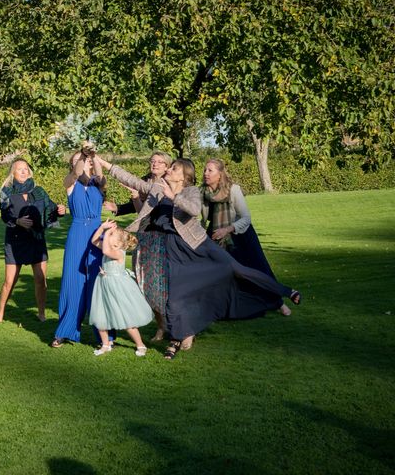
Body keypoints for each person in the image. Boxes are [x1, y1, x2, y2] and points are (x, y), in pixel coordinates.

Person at [96, 156, 301, 360]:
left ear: (183, 175)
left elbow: (193, 209)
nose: (169, 170)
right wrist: (105, 164)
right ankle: (180, 336)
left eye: (174, 168)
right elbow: (133, 180)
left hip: (197, 244)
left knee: (235, 268)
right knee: (176, 295)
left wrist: (173, 196)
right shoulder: (158, 186)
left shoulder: (191, 191)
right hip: (172, 248)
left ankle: (285, 291)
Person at [201, 158, 291, 316]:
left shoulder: (233, 190)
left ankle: (279, 302)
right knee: (220, 273)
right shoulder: (203, 192)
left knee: (258, 269)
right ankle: (223, 307)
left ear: (220, 174)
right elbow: (200, 217)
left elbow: (246, 218)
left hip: (240, 235)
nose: (205, 173)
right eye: (205, 170)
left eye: (210, 170)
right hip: (216, 234)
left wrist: (227, 229)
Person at [103, 151, 172, 341]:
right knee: (144, 280)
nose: (155, 164)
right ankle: (161, 326)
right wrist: (118, 207)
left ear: (167, 166)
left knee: (163, 282)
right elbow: (137, 207)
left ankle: (173, 323)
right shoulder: (143, 181)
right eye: (153, 161)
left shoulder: (169, 184)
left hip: (162, 237)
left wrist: (136, 199)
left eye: (160, 162)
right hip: (143, 235)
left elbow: (152, 208)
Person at [0, 158, 65, 322]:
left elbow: (52, 208)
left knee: (40, 279)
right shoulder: (6, 191)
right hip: (15, 241)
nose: (24, 171)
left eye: (26, 169)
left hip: (36, 240)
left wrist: (61, 210)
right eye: (20, 169)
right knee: (9, 281)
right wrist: (17, 221)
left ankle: (41, 313)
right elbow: (5, 215)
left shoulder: (38, 191)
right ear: (13, 173)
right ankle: (0, 311)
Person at [52, 144, 106, 347]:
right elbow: (75, 173)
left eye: (84, 160)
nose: (81, 163)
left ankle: (104, 335)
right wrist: (83, 156)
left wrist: (94, 156)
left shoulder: (97, 183)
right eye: (76, 160)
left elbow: (101, 175)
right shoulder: (70, 183)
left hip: (97, 232)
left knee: (97, 280)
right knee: (73, 282)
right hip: (77, 233)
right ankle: (65, 330)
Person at [89, 220, 153, 356]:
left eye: (111, 234)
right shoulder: (110, 247)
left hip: (117, 287)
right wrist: (102, 228)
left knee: (126, 318)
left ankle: (140, 345)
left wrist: (106, 233)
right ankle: (106, 344)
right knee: (101, 315)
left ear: (117, 244)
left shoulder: (119, 253)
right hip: (104, 285)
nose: (107, 235)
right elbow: (94, 241)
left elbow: (105, 249)